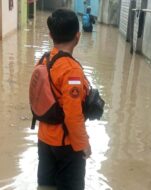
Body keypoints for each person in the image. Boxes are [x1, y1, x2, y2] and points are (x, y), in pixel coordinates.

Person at [34, 9, 91, 190]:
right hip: (66, 145)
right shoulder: (71, 70)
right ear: (78, 36)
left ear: (50, 35)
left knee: (46, 185)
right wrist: (83, 144)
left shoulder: (44, 60)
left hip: (44, 140)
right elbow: (73, 115)